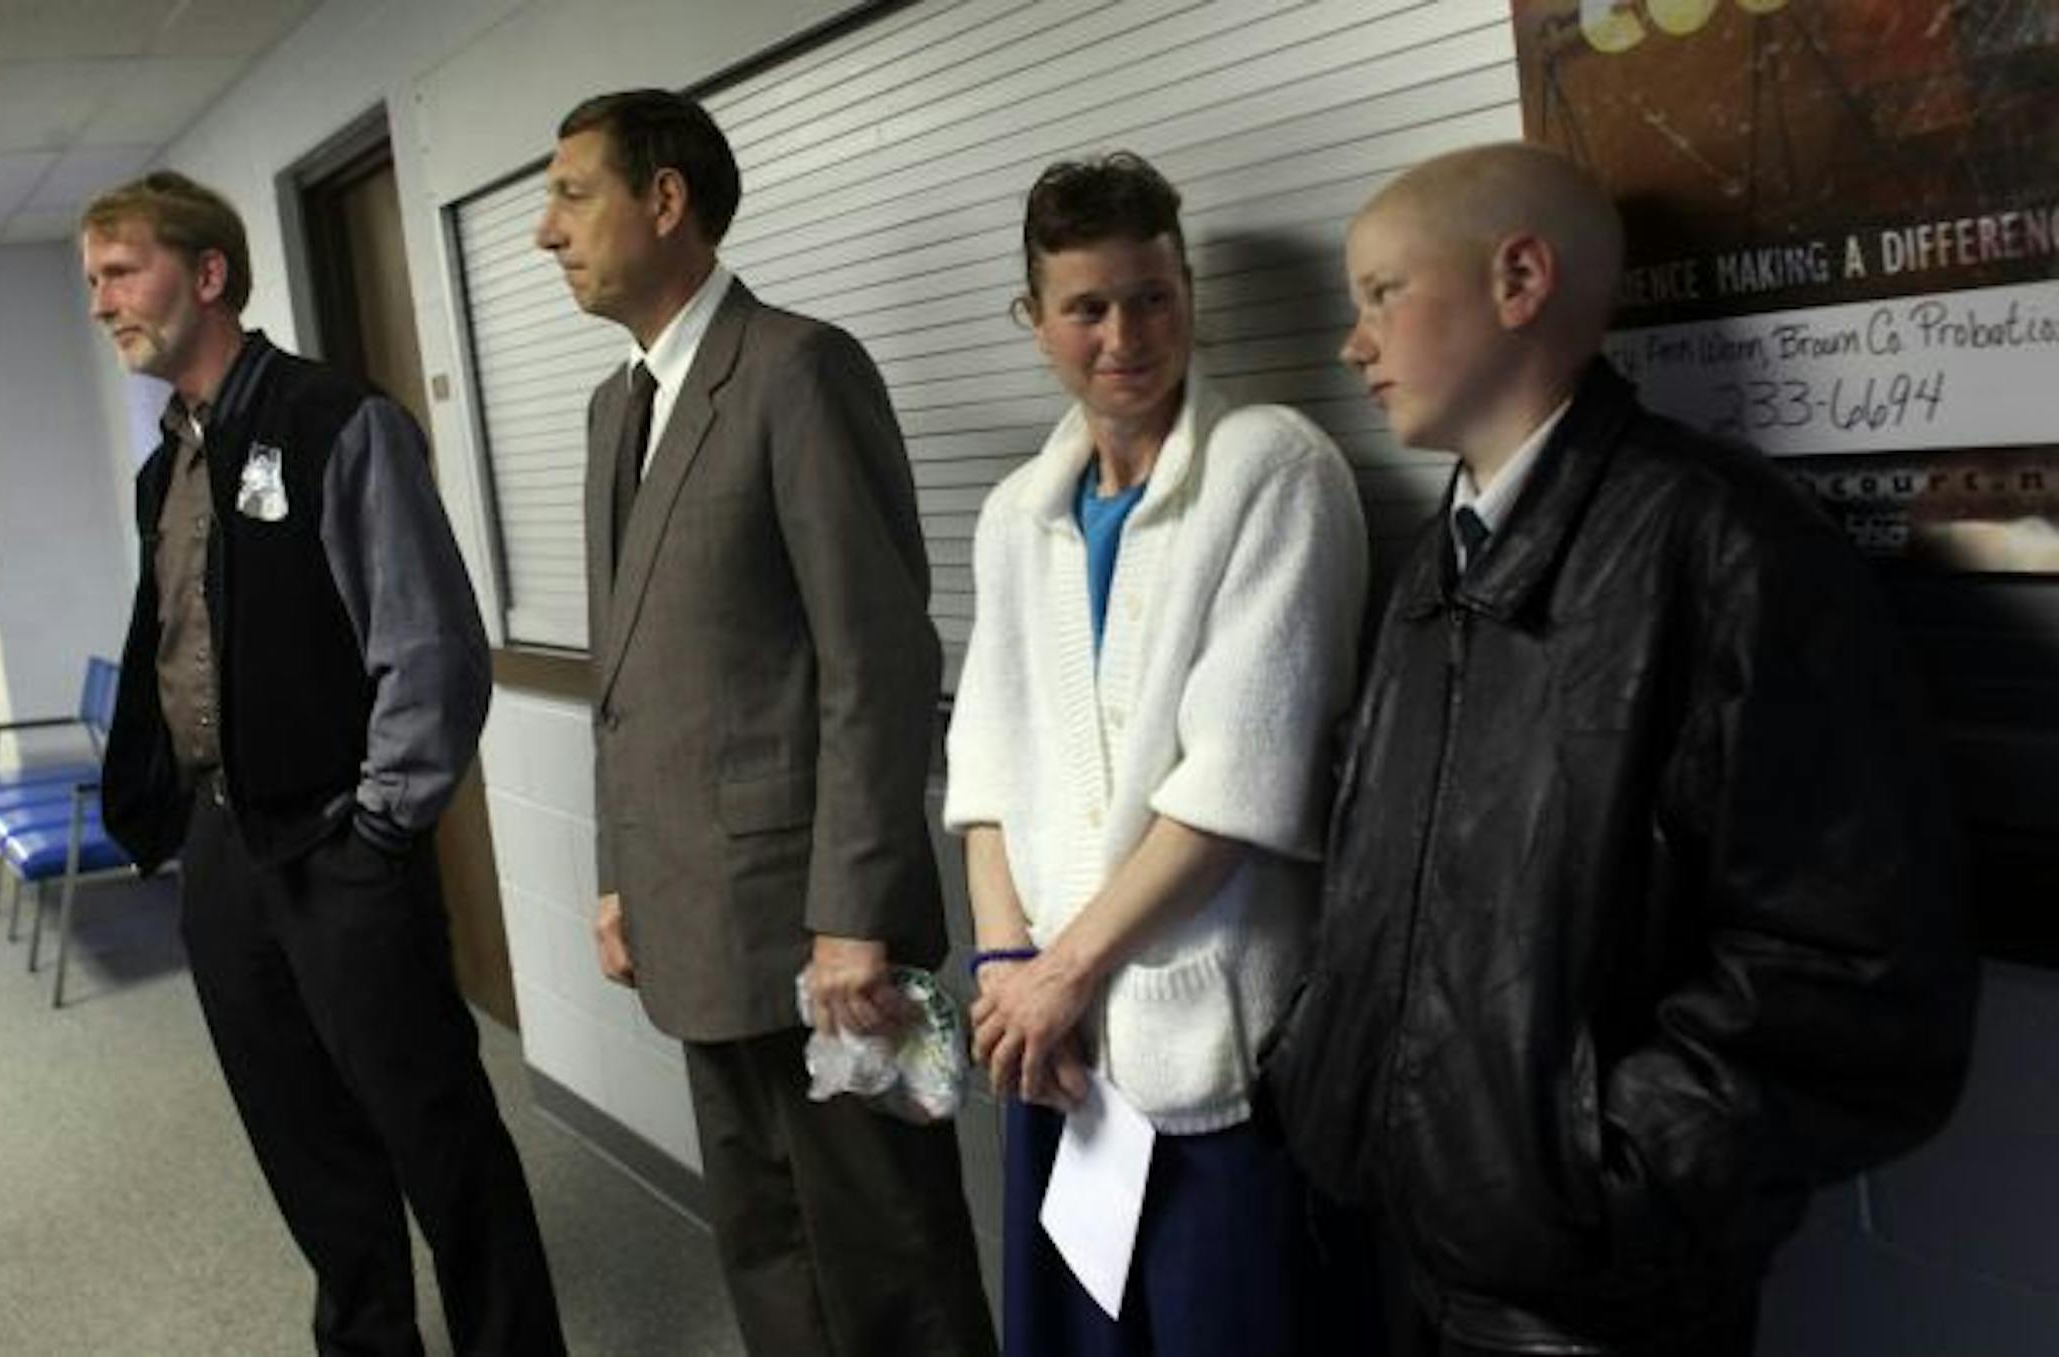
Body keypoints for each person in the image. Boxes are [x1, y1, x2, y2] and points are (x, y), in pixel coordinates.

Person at [1260, 142, 1978, 1356]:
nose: (1352, 344)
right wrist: (1318, 1056)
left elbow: (1851, 972)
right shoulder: (1436, 565)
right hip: (1416, 1260)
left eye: (1382, 294)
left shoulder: (1730, 548)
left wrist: (1602, 1174)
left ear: (1519, 279)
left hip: (1599, 1302)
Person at [535, 89, 996, 1356]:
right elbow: (629, 677)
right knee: (766, 1245)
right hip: (693, 913)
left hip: (814, 929)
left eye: (571, 194)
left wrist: (855, 912)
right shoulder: (615, 407)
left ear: (664, 200)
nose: (545, 231)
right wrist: (619, 875)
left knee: (888, 1260)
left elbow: (877, 659)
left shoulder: (796, 368)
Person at [82, 172, 564, 1356]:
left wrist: (381, 829)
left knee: (438, 1132)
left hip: (339, 844)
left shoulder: (336, 420)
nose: (102, 303)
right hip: (225, 847)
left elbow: (429, 646)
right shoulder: (167, 464)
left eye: (121, 272)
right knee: (302, 1140)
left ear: (208, 274)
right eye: (93, 280)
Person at [944, 152, 1373, 1356]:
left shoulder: (1274, 471)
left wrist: (1063, 972)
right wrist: (1007, 965)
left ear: (1188, 293)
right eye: (1087, 307)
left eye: (1153, 297)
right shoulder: (1016, 514)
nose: (1125, 336)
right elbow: (988, 768)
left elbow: (1242, 783)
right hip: (1053, 1040)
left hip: (1206, 1043)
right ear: (1035, 321)